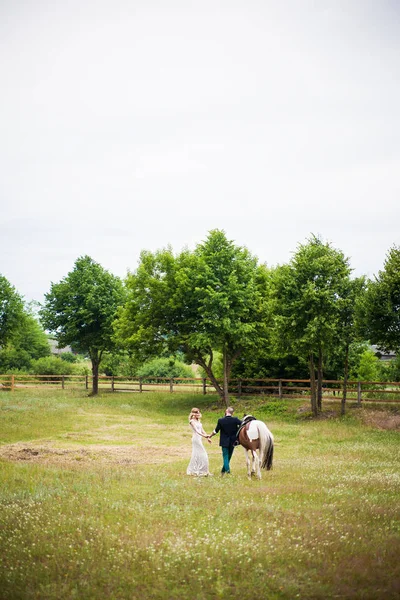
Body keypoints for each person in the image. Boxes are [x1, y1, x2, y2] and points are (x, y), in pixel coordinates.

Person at [208, 407, 241, 475]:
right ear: (232, 413)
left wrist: (210, 436)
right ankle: (225, 471)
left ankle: (226, 471)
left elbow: (216, 430)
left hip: (224, 441)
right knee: (229, 456)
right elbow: (242, 424)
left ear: (226, 411)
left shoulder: (221, 420)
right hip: (233, 441)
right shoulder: (235, 420)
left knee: (225, 456)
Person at [186, 408, 213, 477]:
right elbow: (197, 431)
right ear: (193, 414)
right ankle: (201, 471)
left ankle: (204, 471)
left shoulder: (198, 421)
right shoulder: (192, 421)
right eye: (197, 413)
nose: (198, 414)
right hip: (196, 439)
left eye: (198, 412)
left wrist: (208, 437)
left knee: (199, 455)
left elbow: (202, 430)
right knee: (204, 454)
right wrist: (204, 436)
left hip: (199, 438)